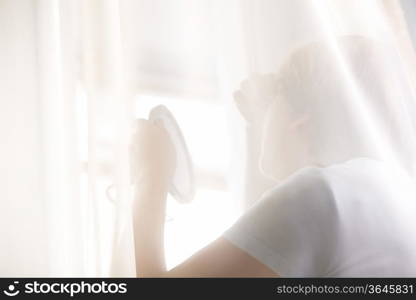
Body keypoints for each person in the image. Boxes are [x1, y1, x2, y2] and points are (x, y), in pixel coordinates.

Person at [130, 36, 416, 277]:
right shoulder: (394, 195)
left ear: (299, 121)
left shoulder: (319, 194)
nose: (260, 119)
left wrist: (152, 175)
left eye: (271, 105)